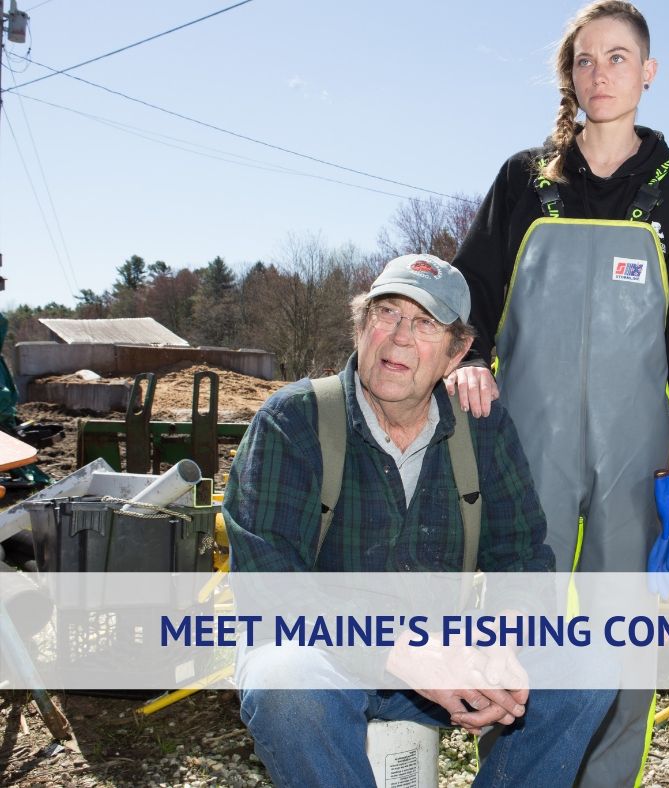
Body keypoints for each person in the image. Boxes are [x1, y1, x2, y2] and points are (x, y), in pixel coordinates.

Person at [448, 2, 669, 784]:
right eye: (584, 59)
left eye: (617, 57)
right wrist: (467, 357)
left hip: (632, 447)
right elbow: (472, 291)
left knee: (621, 629)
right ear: (568, 75)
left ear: (648, 72)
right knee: (517, 617)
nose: (599, 74)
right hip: (527, 443)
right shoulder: (524, 181)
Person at [223, 254, 616, 787]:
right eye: (386, 313)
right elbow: (271, 583)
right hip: (327, 657)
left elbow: (522, 556)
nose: (400, 337)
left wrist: (501, 638)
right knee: (287, 683)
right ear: (362, 327)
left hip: (444, 658)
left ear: (456, 354)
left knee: (590, 661)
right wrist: (400, 649)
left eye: (426, 323)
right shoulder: (293, 421)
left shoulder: (483, 429)